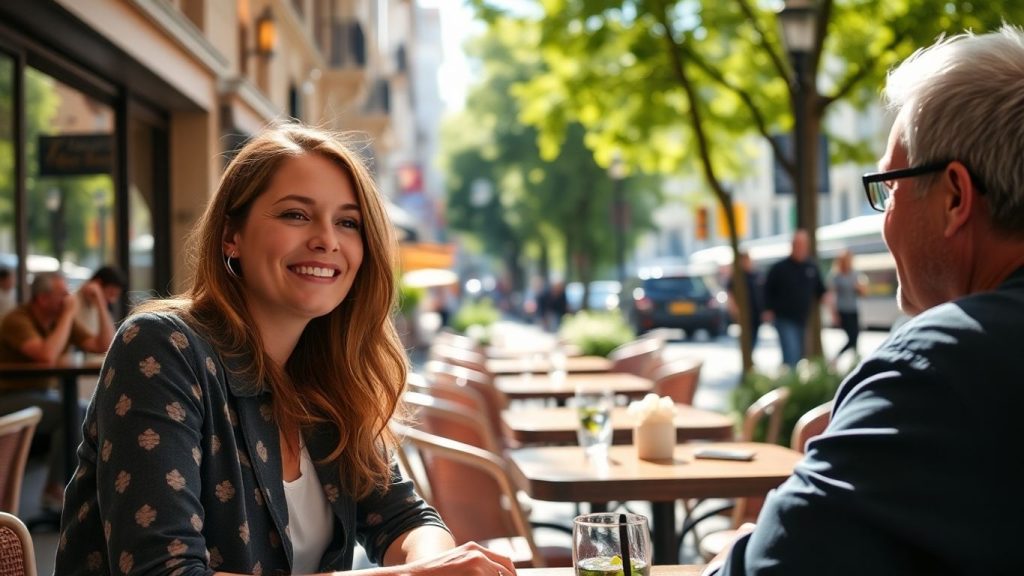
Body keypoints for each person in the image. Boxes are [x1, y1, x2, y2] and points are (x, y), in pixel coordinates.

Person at [56, 124, 517, 576]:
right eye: (296, 214)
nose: (327, 240)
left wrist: (436, 564)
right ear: (231, 236)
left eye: (348, 222)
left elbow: (404, 518)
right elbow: (163, 572)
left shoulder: (327, 374)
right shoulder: (161, 347)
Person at [705, 26, 1024, 575]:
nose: (885, 220)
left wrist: (734, 552)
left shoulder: (937, 369)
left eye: (890, 188)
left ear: (954, 196)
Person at [0, 271, 115, 510]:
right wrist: (69, 313)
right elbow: (46, 355)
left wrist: (100, 303)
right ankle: (54, 489)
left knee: (85, 410)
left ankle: (74, 488)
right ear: (43, 298)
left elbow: (104, 345)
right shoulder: (17, 320)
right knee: (71, 411)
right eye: (62, 294)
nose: (68, 298)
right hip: (8, 397)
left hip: (40, 396)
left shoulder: (59, 320)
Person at [762, 229, 825, 367]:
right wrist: (767, 310)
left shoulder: (811, 267)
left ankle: (791, 378)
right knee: (791, 353)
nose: (801, 248)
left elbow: (821, 290)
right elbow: (767, 290)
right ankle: (788, 378)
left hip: (802, 318)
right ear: (792, 245)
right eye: (798, 244)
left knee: (800, 355)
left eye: (803, 245)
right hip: (784, 318)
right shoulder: (779, 268)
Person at [827, 250, 865, 362]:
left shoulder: (855, 274)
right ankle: (836, 358)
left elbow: (864, 293)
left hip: (854, 309)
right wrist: (833, 314)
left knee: (856, 337)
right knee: (852, 337)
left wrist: (859, 288)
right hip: (843, 311)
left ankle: (855, 362)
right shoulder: (836, 276)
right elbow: (831, 296)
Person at [75, 265, 127, 333]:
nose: (112, 300)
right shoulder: (74, 304)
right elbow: (108, 338)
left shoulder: (96, 306)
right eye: (111, 293)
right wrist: (100, 302)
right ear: (97, 284)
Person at [727, 252, 763, 350]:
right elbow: (731, 295)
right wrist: (735, 310)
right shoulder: (737, 277)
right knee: (747, 340)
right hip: (744, 314)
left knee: (754, 338)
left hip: (756, 314)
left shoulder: (755, 275)